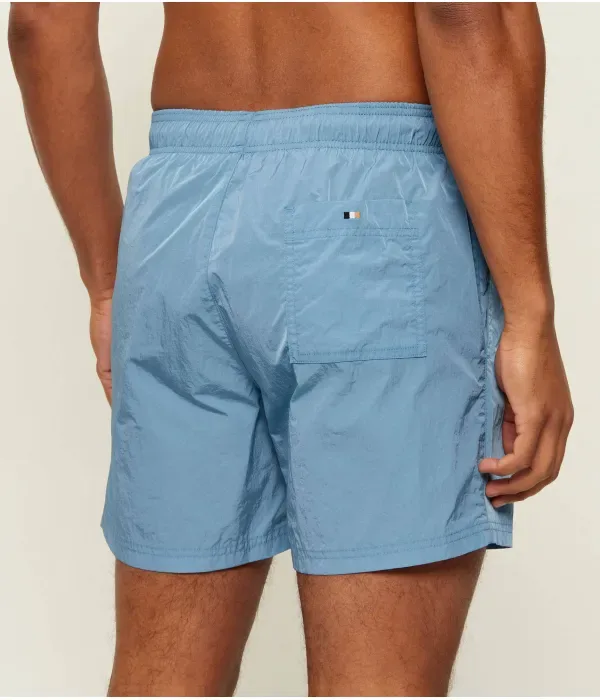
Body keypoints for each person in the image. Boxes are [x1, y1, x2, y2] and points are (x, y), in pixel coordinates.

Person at [9, 2, 573, 696]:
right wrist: (530, 313)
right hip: (368, 212)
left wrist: (105, 285)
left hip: (177, 216)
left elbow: (41, 20)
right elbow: (462, 10)